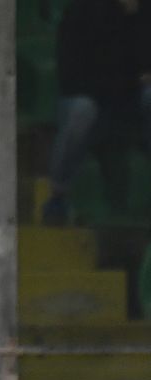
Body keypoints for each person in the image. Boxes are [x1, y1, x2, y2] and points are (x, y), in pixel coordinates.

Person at [41, 0, 151, 225]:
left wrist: (134, 17)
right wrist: (128, 79)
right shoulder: (83, 11)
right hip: (91, 99)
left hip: (131, 100)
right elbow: (72, 77)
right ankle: (58, 196)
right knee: (81, 110)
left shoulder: (145, 13)